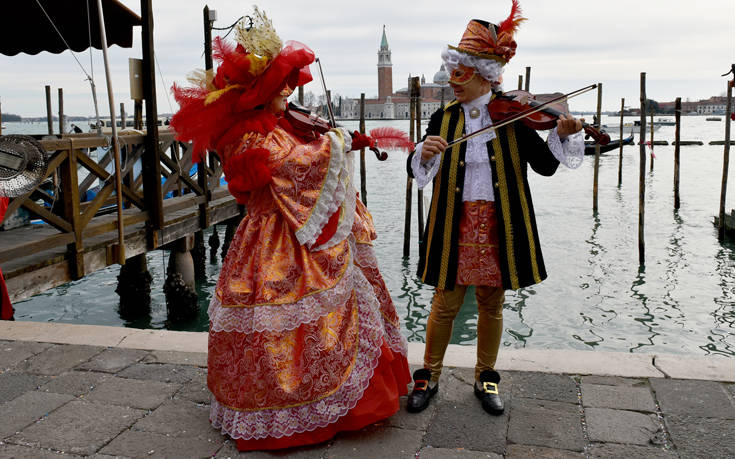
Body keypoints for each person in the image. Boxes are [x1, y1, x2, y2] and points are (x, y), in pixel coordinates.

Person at [170, 8, 410, 451]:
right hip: (274, 239)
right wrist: (336, 143)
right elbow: (292, 165)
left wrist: (335, 141)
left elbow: (302, 151)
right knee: (275, 317)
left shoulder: (276, 126)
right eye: (281, 88)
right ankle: (286, 407)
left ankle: (323, 399)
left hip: (286, 232)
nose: (288, 93)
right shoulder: (247, 136)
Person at [406, 0, 585, 415]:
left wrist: (564, 134)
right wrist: (426, 153)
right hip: (454, 222)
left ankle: (485, 377)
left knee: (491, 302)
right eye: (453, 72)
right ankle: (428, 375)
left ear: (483, 76)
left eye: (460, 75)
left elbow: (543, 166)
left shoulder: (517, 117)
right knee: (444, 302)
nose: (453, 82)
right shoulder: (444, 118)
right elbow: (416, 169)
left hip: (499, 221)